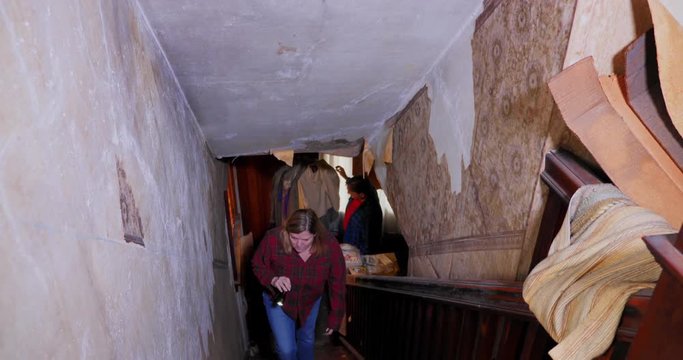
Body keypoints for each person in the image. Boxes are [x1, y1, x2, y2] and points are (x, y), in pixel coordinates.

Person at [252, 209, 346, 360]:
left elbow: (338, 281)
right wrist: (274, 279)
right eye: (294, 237)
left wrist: (336, 315)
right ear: (287, 231)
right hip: (278, 300)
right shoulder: (273, 238)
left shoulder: (330, 245)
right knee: (287, 350)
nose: (299, 244)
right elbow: (257, 264)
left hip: (310, 300)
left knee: (307, 340)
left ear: (315, 235)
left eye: (306, 240)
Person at [335, 166, 383, 255]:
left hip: (358, 248)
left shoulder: (367, 213)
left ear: (361, 194)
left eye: (351, 192)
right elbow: (362, 184)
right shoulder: (366, 191)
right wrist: (345, 177)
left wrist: (362, 255)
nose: (348, 193)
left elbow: (367, 238)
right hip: (349, 236)